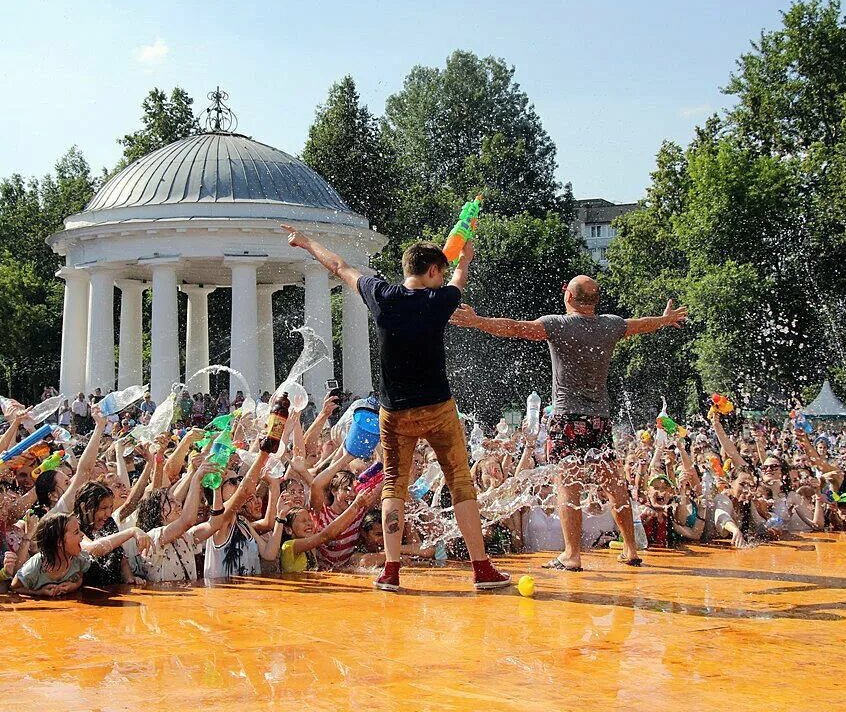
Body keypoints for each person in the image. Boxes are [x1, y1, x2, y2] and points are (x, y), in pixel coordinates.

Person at [283, 223, 510, 591]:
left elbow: (339, 266)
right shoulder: (441, 301)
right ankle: (482, 569)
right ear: (433, 271)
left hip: (395, 411)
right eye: (440, 273)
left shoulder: (381, 295)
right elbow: (460, 276)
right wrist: (465, 257)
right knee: (460, 483)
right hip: (437, 407)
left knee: (393, 488)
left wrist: (307, 243)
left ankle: (390, 571)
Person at [450, 275, 687, 570]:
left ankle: (572, 555)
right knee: (614, 484)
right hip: (599, 419)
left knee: (568, 485)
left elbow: (515, 328)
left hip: (566, 418)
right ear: (595, 301)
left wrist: (478, 321)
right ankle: (630, 548)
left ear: (570, 298)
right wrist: (664, 320)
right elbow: (640, 324)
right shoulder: (611, 325)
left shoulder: (559, 324)